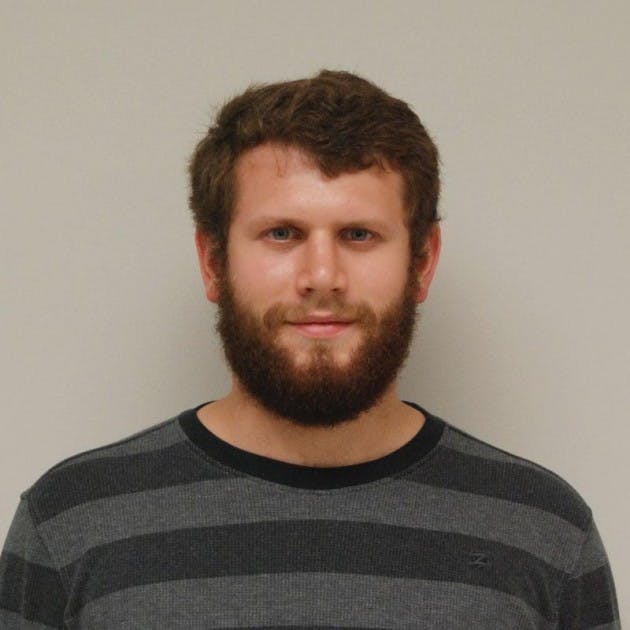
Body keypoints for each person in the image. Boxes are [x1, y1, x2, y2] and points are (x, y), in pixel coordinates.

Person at [0, 70, 619, 629]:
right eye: (282, 233)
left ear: (422, 262)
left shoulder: (545, 534)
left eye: (359, 234)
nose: (322, 276)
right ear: (213, 262)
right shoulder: (71, 524)